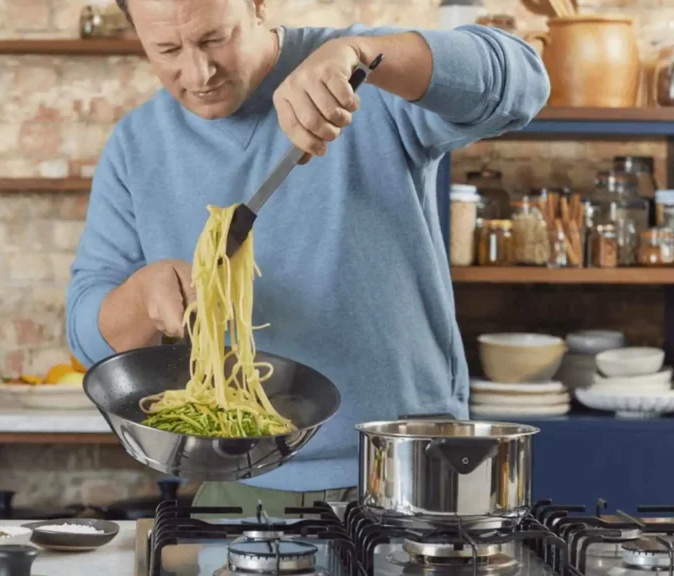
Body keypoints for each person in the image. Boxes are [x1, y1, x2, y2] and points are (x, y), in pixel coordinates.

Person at [65, 0, 550, 514]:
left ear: (257, 7)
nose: (198, 72)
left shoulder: (357, 75)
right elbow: (86, 330)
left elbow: (522, 83)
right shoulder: (137, 144)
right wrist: (141, 297)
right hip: (239, 478)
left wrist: (367, 55)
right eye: (166, 49)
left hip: (410, 468)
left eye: (214, 39)